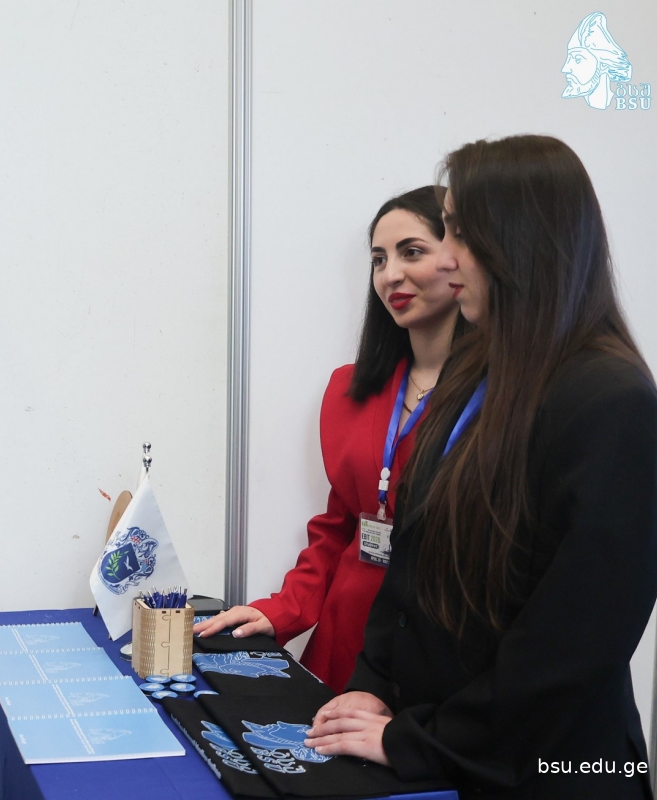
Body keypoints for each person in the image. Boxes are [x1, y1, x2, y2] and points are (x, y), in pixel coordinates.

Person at [306, 135, 657, 799]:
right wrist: (371, 686)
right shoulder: (475, 373)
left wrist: (419, 741)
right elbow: (411, 560)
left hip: (547, 771)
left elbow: (573, 646)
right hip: (438, 749)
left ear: (521, 243)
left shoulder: (611, 399)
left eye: (460, 235)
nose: (446, 259)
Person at [194, 186, 464, 692]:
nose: (390, 275)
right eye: (379, 260)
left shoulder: (500, 402)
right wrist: (282, 609)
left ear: (463, 260)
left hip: (439, 647)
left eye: (411, 252)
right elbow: (341, 527)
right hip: (346, 637)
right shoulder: (350, 390)